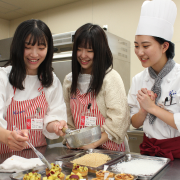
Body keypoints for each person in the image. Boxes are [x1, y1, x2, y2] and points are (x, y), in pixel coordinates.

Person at [0, 19, 67, 154]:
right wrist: (7, 137)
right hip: (5, 161)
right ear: (18, 46)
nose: (34, 54)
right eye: (28, 47)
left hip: (38, 160)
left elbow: (52, 117)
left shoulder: (51, 80)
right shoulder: (3, 77)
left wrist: (55, 126)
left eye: (41, 48)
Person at [63, 23, 130, 151]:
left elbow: (120, 119)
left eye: (89, 51)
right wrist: (72, 139)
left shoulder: (110, 78)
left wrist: (93, 144)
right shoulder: (69, 81)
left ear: (100, 52)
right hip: (81, 150)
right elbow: (68, 119)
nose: (83, 55)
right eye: (79, 49)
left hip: (112, 152)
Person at [128, 0, 180, 160]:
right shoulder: (138, 79)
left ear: (164, 47)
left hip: (177, 153)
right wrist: (143, 110)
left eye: (145, 45)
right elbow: (135, 123)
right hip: (149, 153)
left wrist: (152, 107)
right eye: (136, 46)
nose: (139, 52)